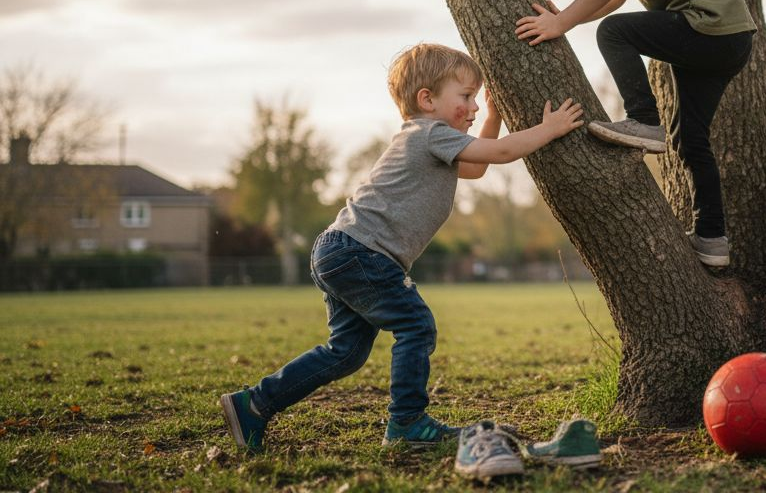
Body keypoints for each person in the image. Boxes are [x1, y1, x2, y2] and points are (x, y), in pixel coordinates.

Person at [220, 44, 583, 466]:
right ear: (426, 99)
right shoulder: (430, 134)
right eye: (465, 97)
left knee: (346, 352)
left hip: (343, 249)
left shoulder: (430, 142)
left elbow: (478, 166)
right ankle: (407, 423)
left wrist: (494, 115)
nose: (472, 106)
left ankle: (253, 405)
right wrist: (550, 128)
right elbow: (500, 154)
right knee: (416, 325)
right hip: (362, 252)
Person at [514, 0, 756, 268]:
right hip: (727, 38)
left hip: (707, 26)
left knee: (614, 32)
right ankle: (713, 240)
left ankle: (644, 120)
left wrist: (561, 23)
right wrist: (564, 16)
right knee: (691, 139)